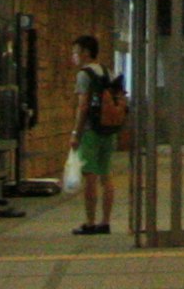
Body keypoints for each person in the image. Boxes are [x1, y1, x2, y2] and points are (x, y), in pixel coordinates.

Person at [65, 35, 125, 237]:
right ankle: (105, 222)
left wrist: (76, 133)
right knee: (106, 175)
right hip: (109, 129)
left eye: (75, 52)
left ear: (86, 53)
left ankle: (90, 222)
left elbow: (83, 106)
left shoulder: (84, 75)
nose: (73, 56)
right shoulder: (108, 71)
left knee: (89, 176)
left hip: (91, 131)